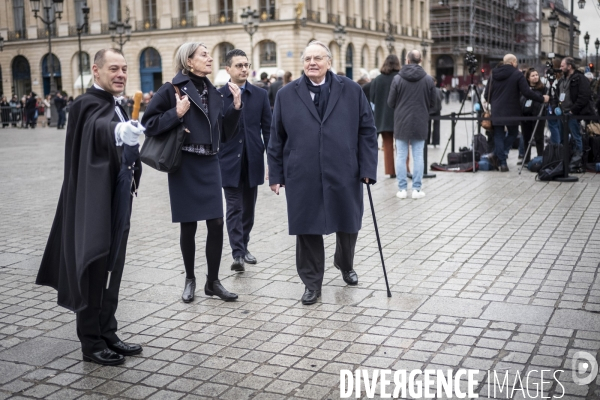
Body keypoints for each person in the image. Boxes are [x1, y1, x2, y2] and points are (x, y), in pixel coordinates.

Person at [36, 48, 145, 366]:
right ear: (96, 71)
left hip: (118, 197)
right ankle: (91, 342)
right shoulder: (85, 104)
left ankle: (108, 331)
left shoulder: (118, 104)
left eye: (124, 69)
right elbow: (94, 129)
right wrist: (117, 131)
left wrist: (131, 144)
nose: (121, 74)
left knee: (112, 267)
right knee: (93, 265)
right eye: (114, 68)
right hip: (92, 201)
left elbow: (119, 143)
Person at [267, 40, 378, 305]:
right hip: (302, 172)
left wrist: (367, 168)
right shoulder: (285, 94)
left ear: (329, 62)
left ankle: (345, 263)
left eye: (318, 58)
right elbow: (276, 138)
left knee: (348, 222)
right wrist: (275, 174)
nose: (312, 63)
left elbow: (367, 130)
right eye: (307, 59)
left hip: (344, 169)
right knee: (307, 228)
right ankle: (311, 283)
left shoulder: (351, 90)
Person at [142, 42, 242, 304]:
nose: (210, 58)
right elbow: (149, 124)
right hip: (184, 165)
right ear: (189, 62)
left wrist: (236, 108)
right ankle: (190, 279)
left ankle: (213, 281)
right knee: (189, 226)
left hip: (210, 163)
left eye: (209, 54)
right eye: (204, 55)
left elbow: (226, 134)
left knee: (216, 223)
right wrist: (176, 112)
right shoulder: (171, 89)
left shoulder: (216, 93)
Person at [219, 49, 271, 272]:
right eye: (239, 65)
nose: (244, 69)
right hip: (229, 161)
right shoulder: (219, 96)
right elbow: (218, 129)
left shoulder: (260, 95)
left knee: (248, 208)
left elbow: (268, 130)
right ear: (228, 69)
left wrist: (273, 163)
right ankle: (237, 253)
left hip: (253, 159)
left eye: (246, 65)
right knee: (234, 208)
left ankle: (245, 245)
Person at [483, 54, 549, 172]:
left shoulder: (494, 73)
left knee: (498, 135)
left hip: (497, 110)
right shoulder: (517, 74)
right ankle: (497, 155)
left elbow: (486, 94)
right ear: (513, 62)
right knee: (513, 133)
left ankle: (502, 163)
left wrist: (495, 102)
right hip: (512, 110)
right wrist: (542, 98)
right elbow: (527, 92)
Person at [387, 49, 435, 199]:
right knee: (418, 155)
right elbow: (433, 103)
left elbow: (390, 102)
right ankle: (416, 189)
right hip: (420, 121)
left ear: (407, 61)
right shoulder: (428, 79)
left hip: (401, 121)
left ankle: (402, 189)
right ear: (420, 61)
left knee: (401, 155)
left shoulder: (397, 79)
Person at [556, 57, 594, 156]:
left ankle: (576, 161)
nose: (560, 68)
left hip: (572, 114)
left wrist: (573, 111)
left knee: (576, 137)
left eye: (562, 66)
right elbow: (557, 95)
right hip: (562, 113)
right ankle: (564, 159)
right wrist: (556, 107)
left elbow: (584, 96)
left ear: (569, 66)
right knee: (562, 138)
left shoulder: (580, 78)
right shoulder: (561, 80)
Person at [370, 54, 400, 178]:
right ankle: (404, 169)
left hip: (382, 117)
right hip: (399, 116)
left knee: (387, 145)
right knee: (402, 146)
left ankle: (390, 171)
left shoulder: (377, 80)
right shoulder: (399, 78)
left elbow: (372, 98)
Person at [518, 68, 547, 165]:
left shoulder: (543, 88)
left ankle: (540, 157)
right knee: (526, 138)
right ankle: (526, 159)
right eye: (533, 76)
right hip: (525, 116)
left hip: (538, 115)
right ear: (528, 78)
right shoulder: (524, 89)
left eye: (536, 75)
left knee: (539, 138)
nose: (535, 77)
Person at [429, 77, 444, 147]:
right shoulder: (439, 90)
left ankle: (428, 141)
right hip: (437, 110)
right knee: (436, 127)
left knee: (428, 126)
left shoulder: (428, 90)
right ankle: (436, 141)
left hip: (429, 110)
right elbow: (441, 98)